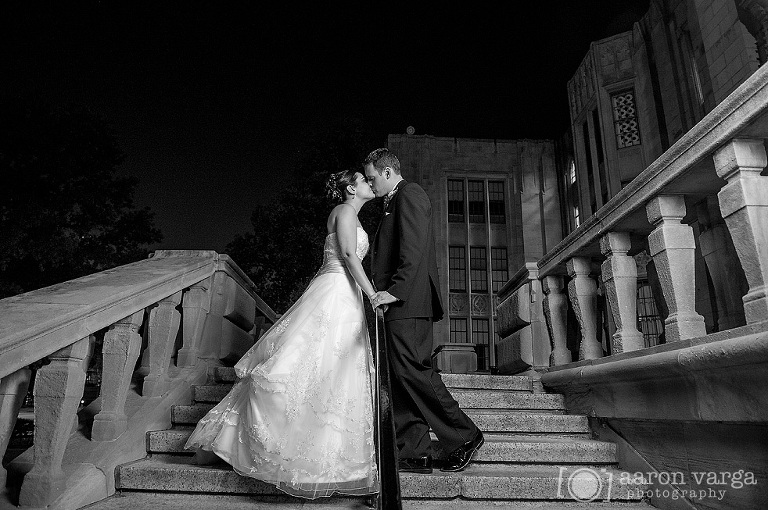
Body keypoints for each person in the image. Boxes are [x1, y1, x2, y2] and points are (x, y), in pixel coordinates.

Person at [184, 169, 379, 499]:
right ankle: (272, 445)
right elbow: (348, 255)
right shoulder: (345, 211)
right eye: (363, 179)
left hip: (345, 294)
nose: (369, 183)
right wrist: (373, 295)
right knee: (306, 364)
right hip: (336, 292)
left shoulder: (349, 214)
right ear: (350, 188)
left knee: (330, 370)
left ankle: (326, 457)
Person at [365, 147, 484, 474]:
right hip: (398, 304)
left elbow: (414, 249)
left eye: (373, 178)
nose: (371, 184)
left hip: (409, 301)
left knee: (414, 370)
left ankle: (465, 435)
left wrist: (395, 291)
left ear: (387, 172)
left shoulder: (410, 193)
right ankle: (414, 451)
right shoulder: (393, 202)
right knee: (400, 377)